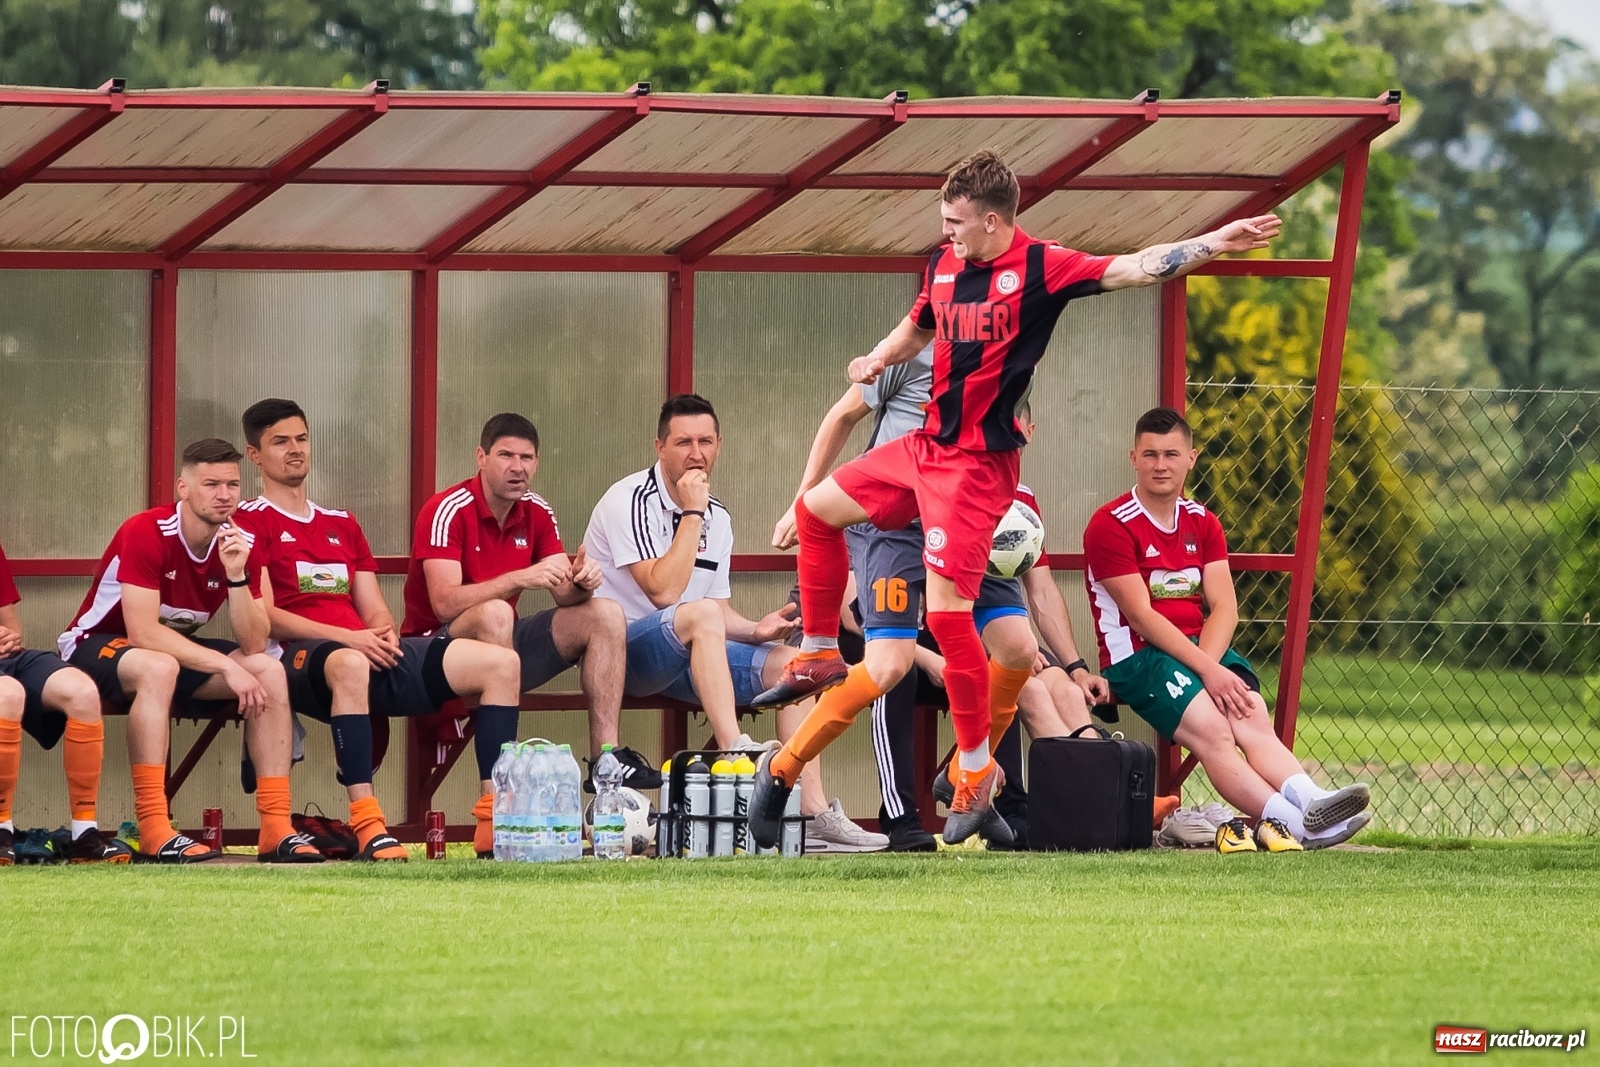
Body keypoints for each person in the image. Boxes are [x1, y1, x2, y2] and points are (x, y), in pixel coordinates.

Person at [750, 148, 1283, 845]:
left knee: (967, 628)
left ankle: (972, 773)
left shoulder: (1041, 266)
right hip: (924, 452)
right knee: (817, 508)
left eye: (956, 223)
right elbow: (918, 324)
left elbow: (1132, 266)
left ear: (994, 222)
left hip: (976, 472)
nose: (946, 234)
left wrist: (1214, 242)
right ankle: (819, 655)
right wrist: (880, 358)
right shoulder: (944, 265)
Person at [768, 352, 1099, 848]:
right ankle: (785, 771)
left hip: (966, 515)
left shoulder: (1014, 350)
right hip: (894, 525)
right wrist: (807, 496)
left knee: (1017, 647)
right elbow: (841, 415)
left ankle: (967, 771)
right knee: (889, 667)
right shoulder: (913, 350)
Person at [585, 393, 885, 852]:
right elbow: (664, 592)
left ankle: (814, 814)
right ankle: (736, 750)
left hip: (693, 649)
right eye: (683, 442)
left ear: (719, 444)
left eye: (705, 441)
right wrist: (690, 512)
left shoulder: (717, 515)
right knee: (696, 614)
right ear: (659, 447)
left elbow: (716, 611)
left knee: (794, 664)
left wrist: (755, 629)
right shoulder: (629, 499)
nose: (696, 453)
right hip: (628, 655)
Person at [234, 399, 524, 862]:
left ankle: (496, 820)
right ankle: (368, 823)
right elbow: (264, 614)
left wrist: (383, 633)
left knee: (502, 664)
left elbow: (373, 609)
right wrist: (351, 639)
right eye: (280, 441)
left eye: (302, 439)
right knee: (349, 661)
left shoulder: (341, 523)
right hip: (298, 659)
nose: (295, 450)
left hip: (364, 650)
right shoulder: (249, 520)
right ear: (255, 455)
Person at [1083, 406, 1372, 852]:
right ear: (1133, 458)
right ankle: (1296, 825)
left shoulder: (1203, 521)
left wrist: (1209, 667)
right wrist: (1209, 672)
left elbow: (1225, 608)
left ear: (1192, 459)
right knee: (1214, 729)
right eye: (1151, 455)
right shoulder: (1110, 525)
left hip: (1198, 650)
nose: (1161, 465)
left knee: (1250, 708)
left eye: (1172, 454)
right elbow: (1142, 618)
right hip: (1137, 658)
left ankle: (1313, 803)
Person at [59, 439, 322, 863]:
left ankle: (275, 828)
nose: (224, 495)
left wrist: (236, 576)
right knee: (159, 666)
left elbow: (255, 642)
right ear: (183, 488)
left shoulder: (241, 541)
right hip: (95, 645)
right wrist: (223, 665)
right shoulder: (146, 530)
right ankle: (153, 827)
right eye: (211, 484)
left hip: (168, 653)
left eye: (232, 485)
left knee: (267, 670)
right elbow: (143, 632)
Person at [403, 412, 652, 854]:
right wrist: (522, 576)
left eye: (527, 457)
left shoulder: (538, 511)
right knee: (498, 612)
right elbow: (442, 604)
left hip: (501, 646)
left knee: (607, 613)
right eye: (505, 455)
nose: (517, 467)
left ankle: (606, 768)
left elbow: (562, 594)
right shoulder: (447, 508)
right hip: (433, 653)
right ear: (481, 458)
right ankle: (503, 790)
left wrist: (583, 581)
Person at [0, 539, 122, 863]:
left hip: (7, 658)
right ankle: (2, 832)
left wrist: (8, 636)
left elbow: (10, 627)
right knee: (8, 694)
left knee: (82, 692)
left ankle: (85, 835)